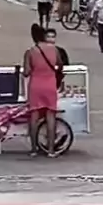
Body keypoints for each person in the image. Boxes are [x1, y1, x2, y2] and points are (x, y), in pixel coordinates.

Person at [23, 23, 62, 157]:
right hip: (50, 85)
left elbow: (26, 72)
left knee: (34, 117)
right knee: (51, 117)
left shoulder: (30, 52)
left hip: (35, 86)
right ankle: (50, 150)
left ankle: (34, 149)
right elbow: (60, 65)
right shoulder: (54, 50)